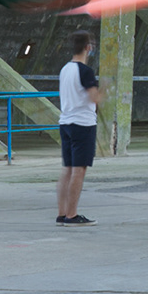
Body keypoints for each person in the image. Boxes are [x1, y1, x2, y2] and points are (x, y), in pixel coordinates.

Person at [57, 32, 102, 225]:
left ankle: (62, 213)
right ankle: (72, 215)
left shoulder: (65, 69)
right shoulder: (85, 71)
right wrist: (104, 91)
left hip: (65, 122)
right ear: (88, 47)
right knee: (79, 170)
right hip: (82, 124)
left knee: (67, 170)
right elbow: (95, 98)